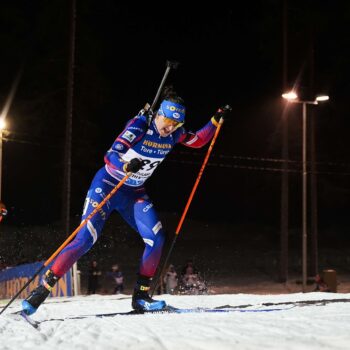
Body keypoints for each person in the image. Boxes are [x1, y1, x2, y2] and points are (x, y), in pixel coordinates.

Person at [22, 85, 231, 315]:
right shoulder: (139, 126)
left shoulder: (175, 134)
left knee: (156, 238)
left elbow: (198, 141)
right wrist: (125, 165)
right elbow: (110, 154)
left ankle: (140, 296)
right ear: (159, 114)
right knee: (84, 239)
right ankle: (42, 290)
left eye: (175, 124)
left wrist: (214, 121)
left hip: (134, 192)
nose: (169, 128)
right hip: (108, 185)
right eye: (167, 121)